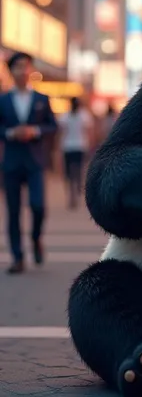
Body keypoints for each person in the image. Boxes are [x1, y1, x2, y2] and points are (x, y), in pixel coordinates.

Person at [0, 52, 57, 274]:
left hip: (35, 162)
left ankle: (36, 239)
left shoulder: (42, 99)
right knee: (13, 212)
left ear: (31, 70)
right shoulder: (3, 100)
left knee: (38, 205)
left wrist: (36, 130)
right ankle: (17, 257)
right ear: (11, 70)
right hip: (11, 163)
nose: (22, 70)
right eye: (17, 66)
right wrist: (11, 133)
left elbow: (52, 127)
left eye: (26, 66)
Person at [58, 97, 94, 209]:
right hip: (80, 146)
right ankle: (77, 187)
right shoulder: (84, 115)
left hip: (67, 146)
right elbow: (89, 131)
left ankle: (71, 193)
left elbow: (61, 132)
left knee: (68, 173)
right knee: (78, 170)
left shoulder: (65, 116)